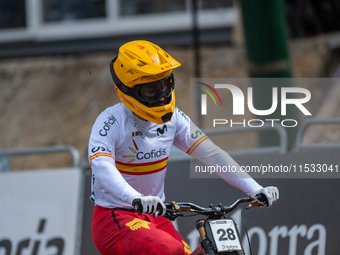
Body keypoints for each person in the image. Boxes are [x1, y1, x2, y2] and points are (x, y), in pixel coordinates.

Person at [88, 40, 279, 255]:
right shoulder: (110, 121)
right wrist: (134, 197)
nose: (162, 95)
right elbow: (101, 164)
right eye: (151, 90)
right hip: (115, 216)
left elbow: (213, 155)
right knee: (171, 250)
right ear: (127, 90)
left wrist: (255, 189)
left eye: (165, 85)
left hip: (156, 215)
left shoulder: (175, 118)